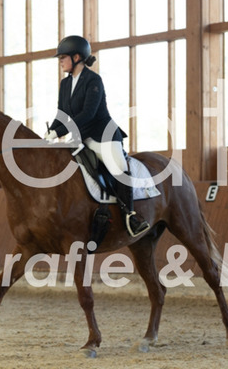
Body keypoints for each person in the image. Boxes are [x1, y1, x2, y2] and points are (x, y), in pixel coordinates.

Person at [44, 35, 150, 238]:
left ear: (76, 57)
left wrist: (59, 132)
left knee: (118, 169)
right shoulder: (65, 84)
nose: (60, 61)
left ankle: (130, 216)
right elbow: (62, 113)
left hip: (103, 136)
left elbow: (88, 114)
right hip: (80, 137)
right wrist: (50, 132)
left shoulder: (93, 80)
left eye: (63, 57)